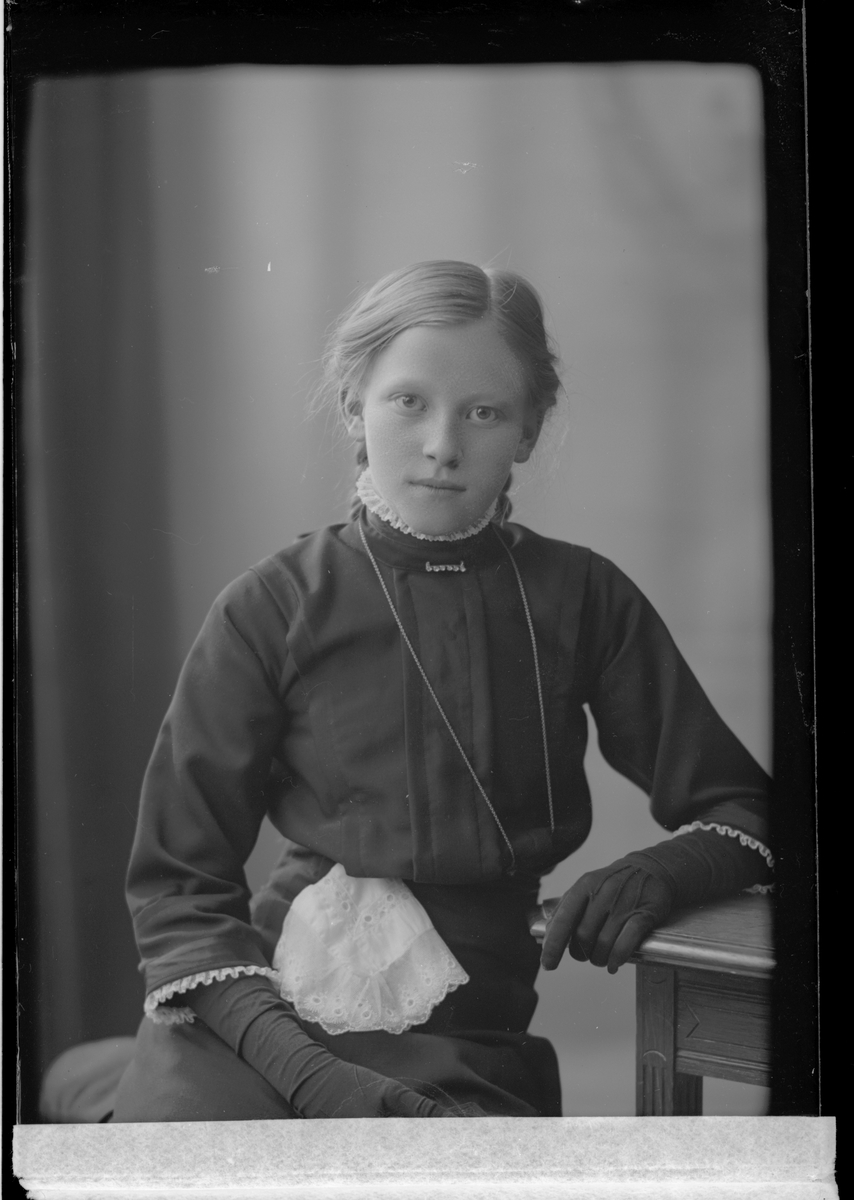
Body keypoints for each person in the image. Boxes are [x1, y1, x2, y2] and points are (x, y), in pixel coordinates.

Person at [111, 260, 772, 1121]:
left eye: (484, 412)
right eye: (408, 402)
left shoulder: (584, 598)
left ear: (529, 430)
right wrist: (312, 1077)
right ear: (354, 406)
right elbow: (177, 889)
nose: (442, 445)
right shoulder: (271, 605)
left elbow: (749, 809)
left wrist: (664, 869)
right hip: (253, 1022)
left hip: (471, 1029)